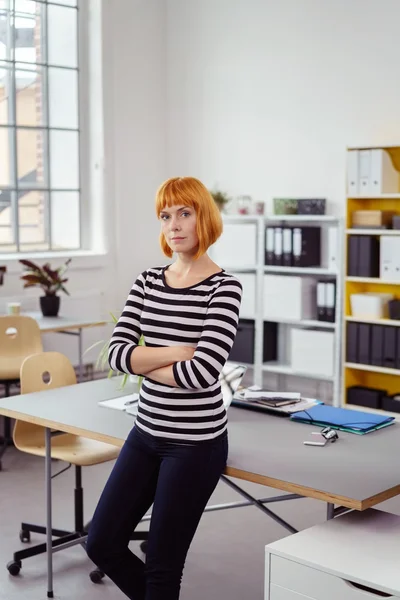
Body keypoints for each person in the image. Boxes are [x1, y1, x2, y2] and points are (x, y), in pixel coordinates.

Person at [86, 176, 243, 600]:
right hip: (146, 432)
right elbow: (116, 354)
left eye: (184, 213)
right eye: (165, 215)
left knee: (161, 565)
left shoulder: (224, 288)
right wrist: (175, 350)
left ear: (203, 218)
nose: (173, 225)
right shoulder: (147, 281)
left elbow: (201, 375)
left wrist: (145, 358)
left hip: (195, 444)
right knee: (100, 542)